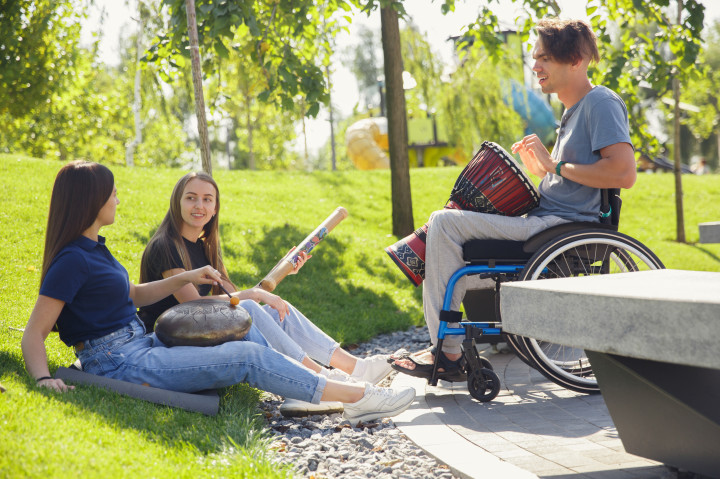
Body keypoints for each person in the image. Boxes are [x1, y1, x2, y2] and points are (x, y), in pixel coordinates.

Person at [21, 161, 415, 424]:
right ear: (91, 200)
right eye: (111, 193)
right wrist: (41, 380)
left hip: (142, 344)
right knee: (246, 355)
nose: (117, 199)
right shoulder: (72, 259)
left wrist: (183, 276)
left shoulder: (96, 249)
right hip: (116, 361)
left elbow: (136, 295)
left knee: (251, 334)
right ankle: (357, 397)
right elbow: (34, 332)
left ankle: (343, 387)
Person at [392, 18, 636, 379]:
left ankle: (448, 353)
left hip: (559, 229)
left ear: (576, 60)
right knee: (446, 234)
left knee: (444, 223)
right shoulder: (571, 113)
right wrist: (543, 171)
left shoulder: (600, 102)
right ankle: (447, 350)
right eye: (535, 57)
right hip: (546, 221)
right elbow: (571, 178)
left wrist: (556, 165)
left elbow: (623, 173)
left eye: (545, 58)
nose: (535, 65)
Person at [138, 172, 393, 386]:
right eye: (191, 198)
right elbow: (194, 305)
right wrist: (255, 295)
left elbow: (234, 299)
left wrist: (283, 271)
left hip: (195, 329)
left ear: (215, 208)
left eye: (207, 199)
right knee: (251, 305)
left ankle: (356, 368)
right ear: (177, 202)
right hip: (168, 339)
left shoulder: (205, 247)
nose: (199, 206)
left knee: (276, 311)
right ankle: (320, 378)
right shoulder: (166, 246)